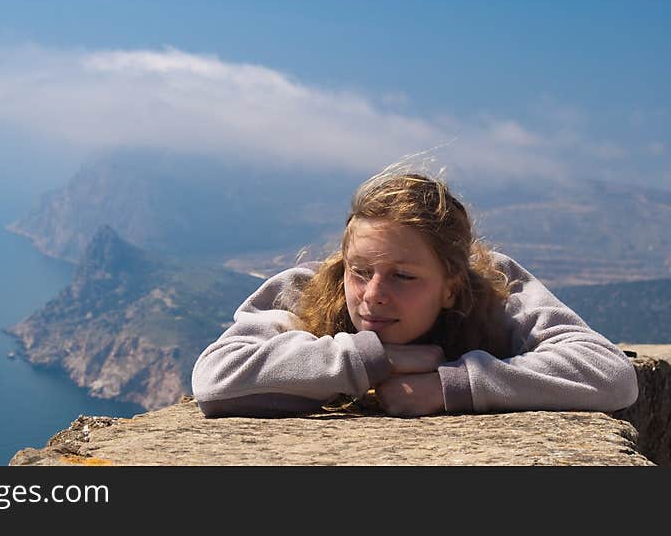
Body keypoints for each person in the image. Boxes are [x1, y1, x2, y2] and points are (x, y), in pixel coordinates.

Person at [191, 166, 639, 418]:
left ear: (450, 287)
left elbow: (610, 375)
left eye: (403, 276)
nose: (373, 294)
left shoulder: (496, 289)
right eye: (360, 271)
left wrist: (453, 386)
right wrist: (373, 358)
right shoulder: (302, 291)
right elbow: (215, 378)